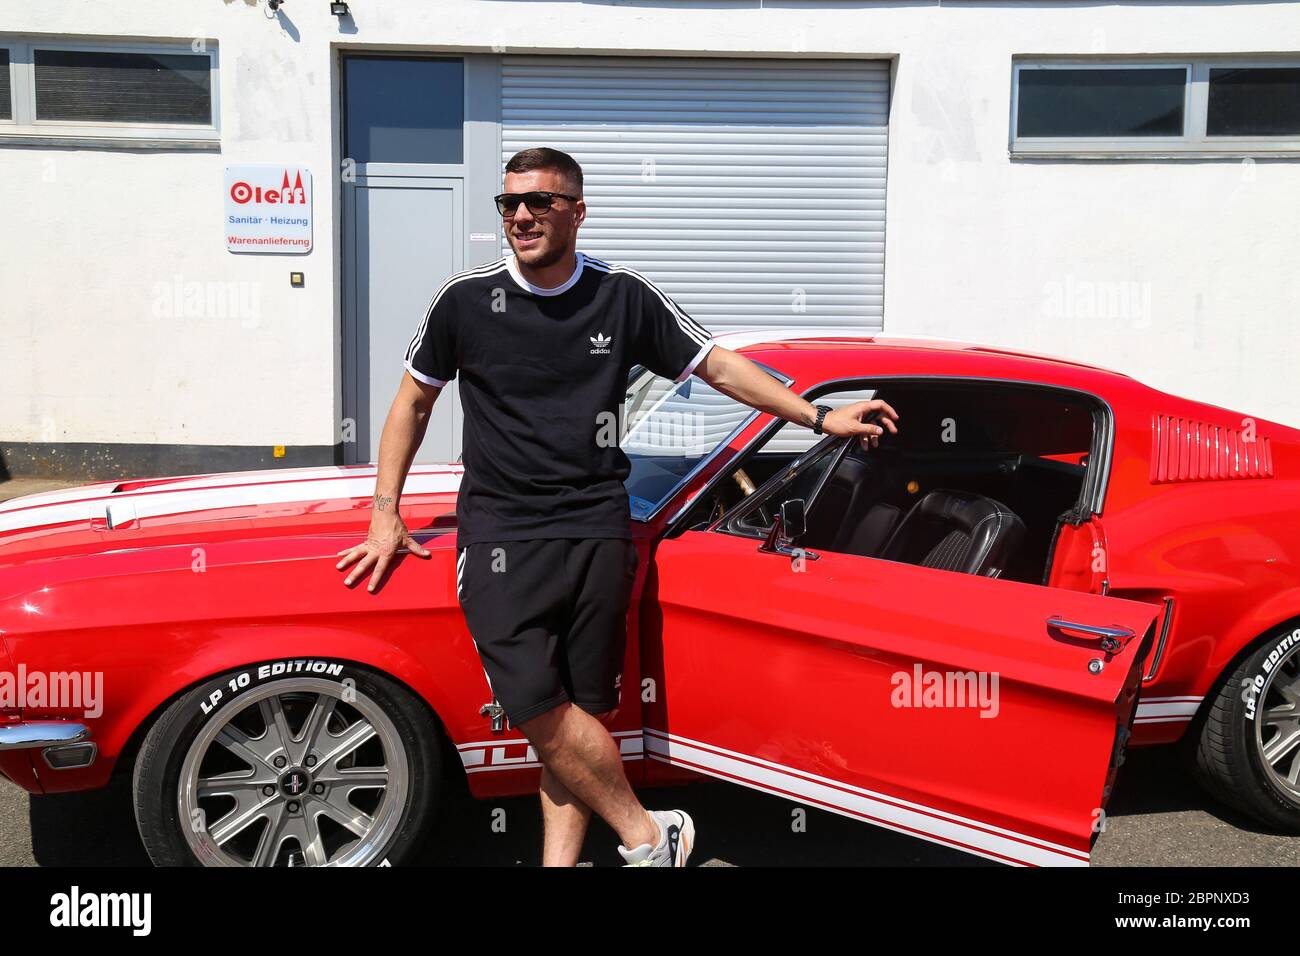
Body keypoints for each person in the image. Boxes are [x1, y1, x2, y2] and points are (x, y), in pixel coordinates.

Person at [336, 146, 898, 867]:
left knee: (581, 710)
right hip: (502, 531)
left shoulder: (623, 295)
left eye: (540, 201)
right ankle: (647, 834)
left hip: (599, 528)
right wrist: (386, 512)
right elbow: (413, 401)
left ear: (577, 210)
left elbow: (718, 366)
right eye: (509, 204)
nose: (522, 216)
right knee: (538, 708)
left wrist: (818, 417)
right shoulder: (465, 302)